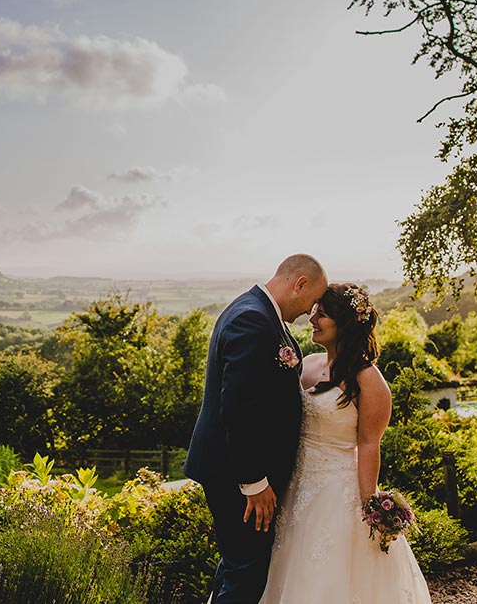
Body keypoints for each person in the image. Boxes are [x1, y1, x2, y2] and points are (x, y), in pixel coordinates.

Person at [259, 283, 432, 603]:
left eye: (321, 314)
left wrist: (371, 507)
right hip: (294, 485)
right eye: (314, 311)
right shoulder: (307, 364)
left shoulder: (369, 382)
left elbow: (369, 444)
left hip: (337, 494)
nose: (312, 319)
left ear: (345, 326)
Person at [184, 254, 328, 604]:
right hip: (239, 476)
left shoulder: (261, 315)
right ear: (300, 284)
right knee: (246, 572)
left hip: (241, 471)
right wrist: (253, 482)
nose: (310, 312)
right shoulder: (252, 319)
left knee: (238, 564)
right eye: (312, 302)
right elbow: (238, 407)